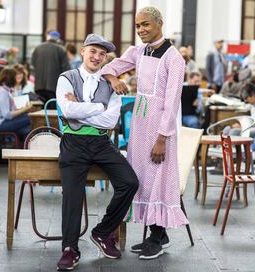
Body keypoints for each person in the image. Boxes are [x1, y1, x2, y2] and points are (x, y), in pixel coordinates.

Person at [102, 6, 188, 260]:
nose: (141, 30)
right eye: (138, 25)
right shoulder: (138, 51)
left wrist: (162, 137)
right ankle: (157, 234)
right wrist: (113, 79)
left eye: (146, 25)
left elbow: (172, 101)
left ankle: (158, 235)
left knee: (158, 175)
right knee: (141, 175)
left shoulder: (174, 58)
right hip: (139, 121)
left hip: (161, 125)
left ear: (160, 23)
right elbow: (111, 67)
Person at [55, 33, 138, 271]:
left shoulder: (111, 83)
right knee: (72, 195)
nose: (97, 57)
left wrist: (81, 110)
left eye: (102, 54)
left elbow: (111, 119)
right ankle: (70, 249)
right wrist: (97, 107)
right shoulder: (66, 77)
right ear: (82, 51)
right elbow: (68, 110)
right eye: (93, 51)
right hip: (73, 142)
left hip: (102, 143)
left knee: (130, 182)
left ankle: (102, 232)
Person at [0, 68, 33, 139]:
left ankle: (23, 145)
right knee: (30, 118)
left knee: (27, 129)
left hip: (2, 122)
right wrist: (25, 109)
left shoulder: (4, 90)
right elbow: (7, 115)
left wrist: (22, 109)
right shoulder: (2, 92)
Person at [31, 30, 71, 107]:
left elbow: (33, 64)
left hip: (38, 86)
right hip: (53, 87)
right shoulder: (61, 49)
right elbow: (66, 70)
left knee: (41, 111)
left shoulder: (38, 48)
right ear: (58, 39)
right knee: (52, 112)